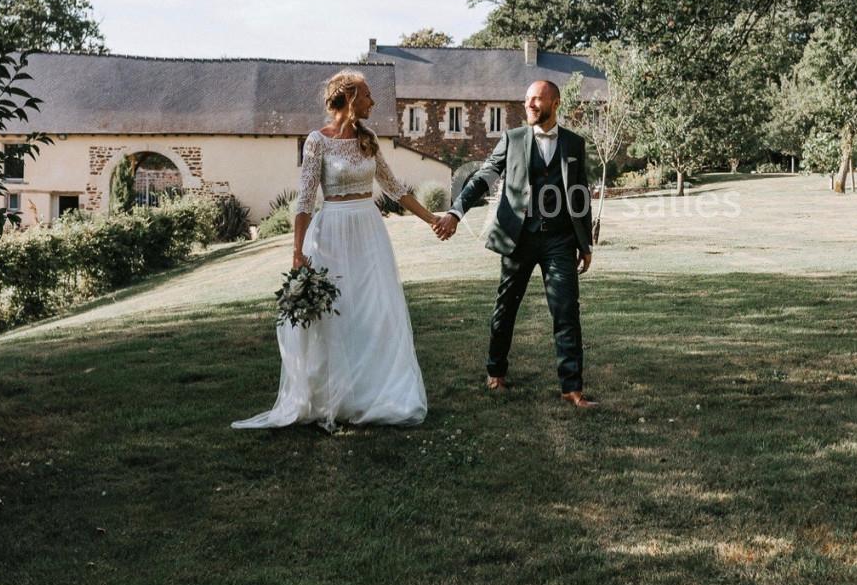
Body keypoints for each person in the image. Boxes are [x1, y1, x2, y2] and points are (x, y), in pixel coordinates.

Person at [232, 70, 437, 431]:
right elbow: (305, 199)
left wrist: (432, 218)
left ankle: (376, 392)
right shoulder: (317, 141)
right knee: (336, 314)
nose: (373, 102)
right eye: (368, 96)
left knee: (374, 312)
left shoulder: (369, 139)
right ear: (349, 98)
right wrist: (297, 253)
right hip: (330, 233)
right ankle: (331, 396)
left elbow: (395, 188)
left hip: (369, 232)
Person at [432, 80, 598, 408]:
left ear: (555, 102)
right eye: (527, 100)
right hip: (518, 238)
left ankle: (572, 387)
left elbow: (579, 194)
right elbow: (483, 177)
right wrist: (456, 210)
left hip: (560, 241)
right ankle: (496, 372)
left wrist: (585, 243)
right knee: (506, 306)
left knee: (566, 311)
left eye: (537, 99)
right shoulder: (512, 139)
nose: (530, 105)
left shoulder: (574, 144)